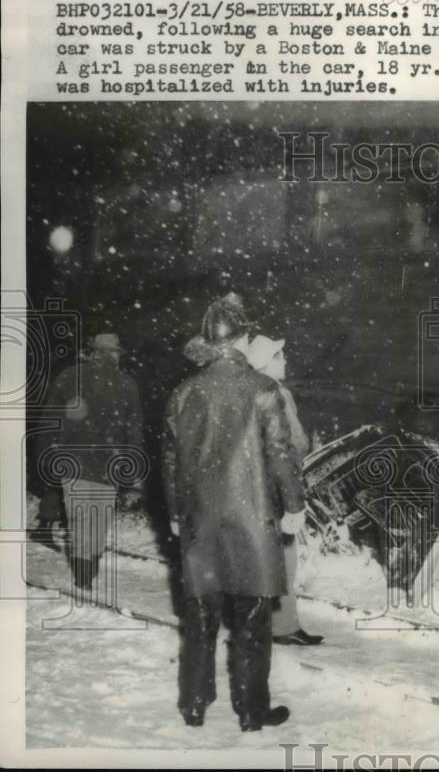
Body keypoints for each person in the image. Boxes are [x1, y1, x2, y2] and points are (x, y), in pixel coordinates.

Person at [163, 294, 305, 731]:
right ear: (243, 339)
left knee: (201, 617)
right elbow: (280, 453)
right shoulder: (263, 391)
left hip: (199, 519)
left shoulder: (185, 392)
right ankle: (251, 710)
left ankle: (194, 704)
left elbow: (170, 459)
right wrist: (294, 505)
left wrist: (174, 511)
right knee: (251, 619)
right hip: (252, 516)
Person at [36, 332, 144, 593]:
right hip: (109, 463)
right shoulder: (127, 384)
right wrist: (133, 472)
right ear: (114, 354)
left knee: (78, 517)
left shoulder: (69, 376)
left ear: (93, 352)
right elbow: (134, 432)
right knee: (99, 518)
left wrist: (43, 456)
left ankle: (83, 575)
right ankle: (90, 568)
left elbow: (49, 421)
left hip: (73, 460)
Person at [245, 334, 324, 647]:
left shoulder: (243, 389)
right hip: (276, 488)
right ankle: (284, 626)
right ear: (268, 362)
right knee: (284, 558)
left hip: (248, 489)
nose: (286, 361)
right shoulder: (276, 392)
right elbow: (293, 442)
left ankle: (256, 623)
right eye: (280, 356)